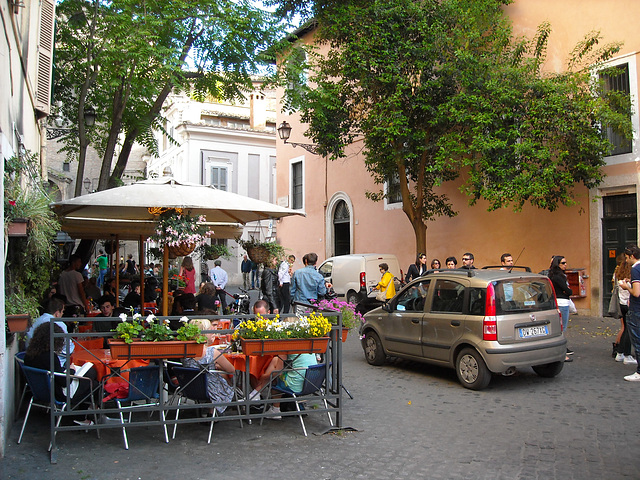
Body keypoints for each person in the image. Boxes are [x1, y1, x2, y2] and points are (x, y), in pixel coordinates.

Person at [24, 322, 98, 425]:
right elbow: (64, 382)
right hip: (57, 393)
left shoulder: (29, 354)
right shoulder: (50, 356)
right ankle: (82, 416)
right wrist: (71, 370)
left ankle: (87, 409)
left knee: (90, 376)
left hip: (40, 390)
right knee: (93, 382)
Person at [181, 319, 236, 414]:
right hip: (211, 390)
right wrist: (218, 366)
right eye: (211, 331)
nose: (214, 333)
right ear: (204, 334)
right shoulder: (212, 353)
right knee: (224, 379)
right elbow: (232, 370)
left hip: (188, 388)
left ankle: (209, 409)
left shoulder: (184, 352)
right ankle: (213, 410)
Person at [26, 298, 74, 365]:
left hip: (33, 360)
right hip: (52, 364)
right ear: (57, 313)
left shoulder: (35, 321)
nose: (62, 314)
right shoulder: (59, 324)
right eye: (62, 311)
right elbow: (67, 348)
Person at [618, 245, 640, 381]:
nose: (626, 261)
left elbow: (637, 293)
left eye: (626, 258)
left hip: (636, 309)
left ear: (632, 256)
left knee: (637, 341)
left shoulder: (635, 269)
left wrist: (627, 287)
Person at [548, 255, 574, 362]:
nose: (565, 265)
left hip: (559, 302)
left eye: (565, 262)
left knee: (560, 328)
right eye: (563, 263)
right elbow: (568, 291)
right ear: (557, 265)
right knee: (562, 329)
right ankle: (562, 353)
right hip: (562, 302)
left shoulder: (554, 275)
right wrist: (568, 291)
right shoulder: (558, 277)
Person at [612, 253, 633, 364]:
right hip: (629, 304)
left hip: (622, 304)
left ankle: (619, 352)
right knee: (629, 329)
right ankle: (627, 354)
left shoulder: (618, 274)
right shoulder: (631, 276)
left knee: (624, 328)